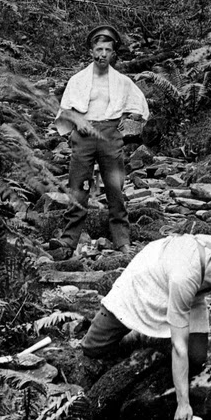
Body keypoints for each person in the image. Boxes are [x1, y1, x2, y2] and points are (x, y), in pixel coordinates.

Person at [81, 233, 211, 420]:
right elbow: (179, 348)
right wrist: (183, 404)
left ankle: (154, 336)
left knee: (196, 359)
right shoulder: (184, 277)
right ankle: (139, 335)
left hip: (192, 292)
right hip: (150, 277)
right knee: (93, 348)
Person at [52, 24, 150, 260]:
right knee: (78, 187)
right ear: (91, 51)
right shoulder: (78, 80)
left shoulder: (122, 82)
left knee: (115, 188)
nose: (102, 54)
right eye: (99, 49)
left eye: (107, 50)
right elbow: (65, 111)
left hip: (109, 135)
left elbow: (139, 108)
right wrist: (78, 121)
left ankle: (122, 241)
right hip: (84, 136)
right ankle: (68, 241)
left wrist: (125, 125)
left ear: (113, 53)